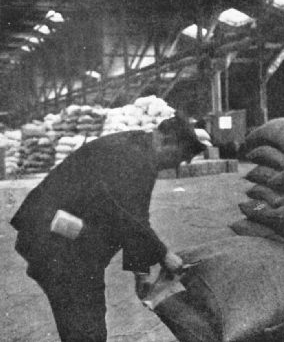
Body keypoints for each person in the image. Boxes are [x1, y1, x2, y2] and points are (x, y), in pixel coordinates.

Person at [10, 114, 207, 342]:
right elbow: (126, 215)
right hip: (51, 237)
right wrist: (164, 255)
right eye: (179, 157)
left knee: (84, 321)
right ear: (167, 140)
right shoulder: (132, 156)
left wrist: (140, 272)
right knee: (85, 325)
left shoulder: (140, 150)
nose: (176, 165)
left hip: (66, 238)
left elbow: (135, 214)